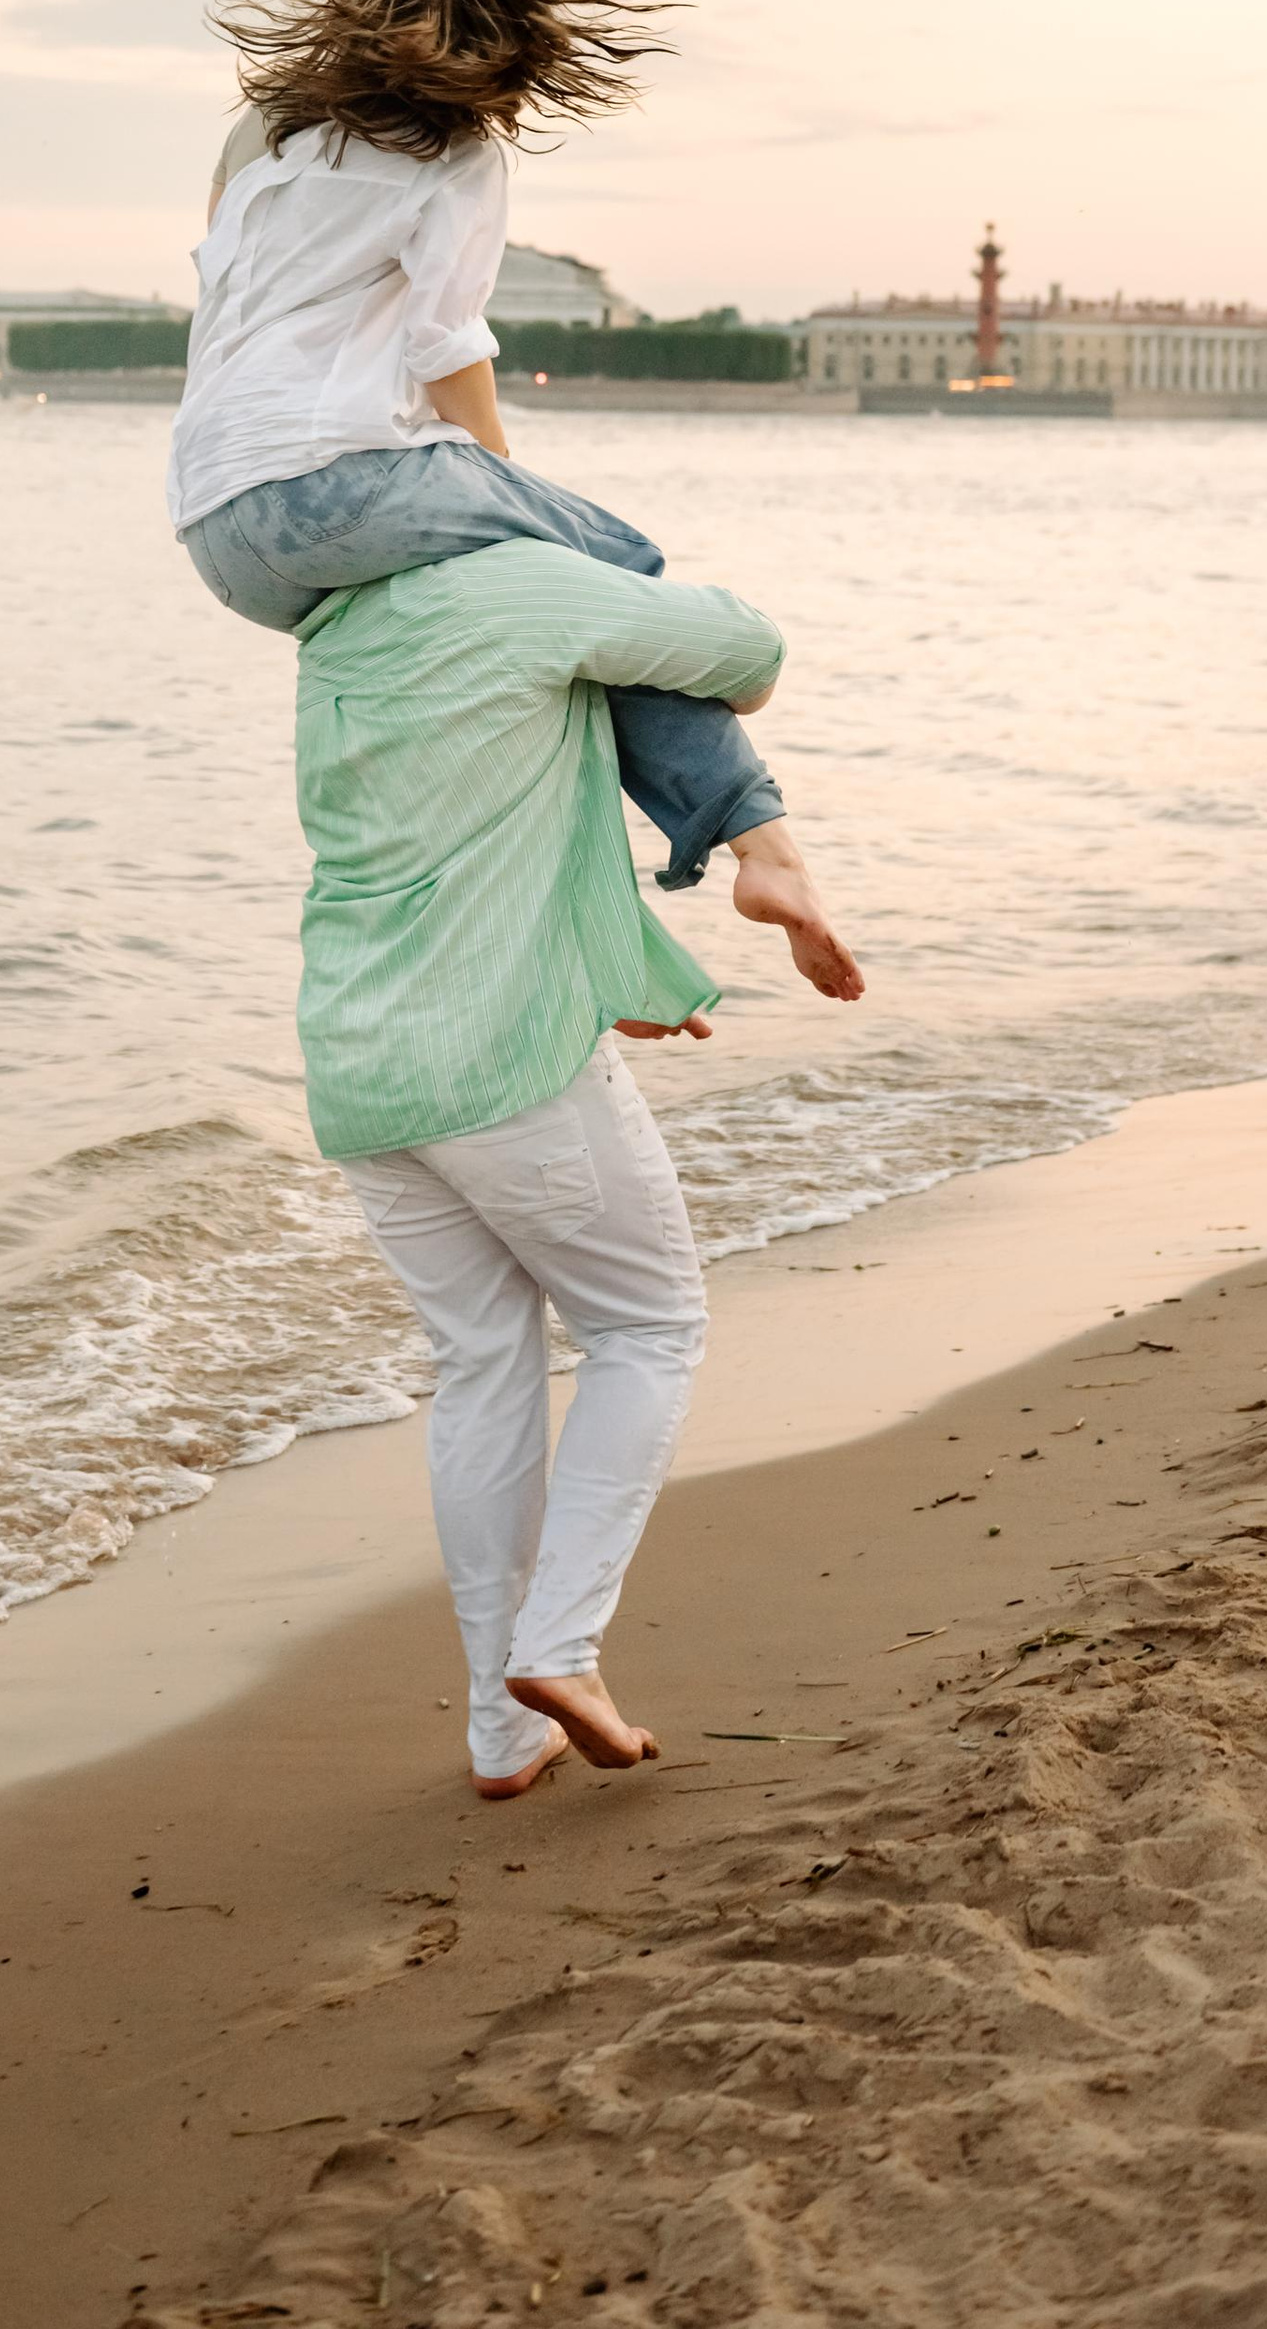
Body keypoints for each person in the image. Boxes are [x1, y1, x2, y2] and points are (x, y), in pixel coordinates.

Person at [168, 0, 853, 992]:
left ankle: (596, 936)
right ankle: (758, 839)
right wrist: (503, 487)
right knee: (611, 572)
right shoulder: (459, 150)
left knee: (538, 640)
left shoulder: (257, 132)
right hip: (333, 483)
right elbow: (448, 346)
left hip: (215, 526)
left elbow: (223, 297)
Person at [291, 531, 863, 1794]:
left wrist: (621, 970)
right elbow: (746, 646)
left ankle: (505, 1730)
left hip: (359, 1066)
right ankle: (559, 1648)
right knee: (648, 1326)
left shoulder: (329, 624)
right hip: (501, 1061)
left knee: (483, 1366)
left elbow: (486, 834)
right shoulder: (511, 579)